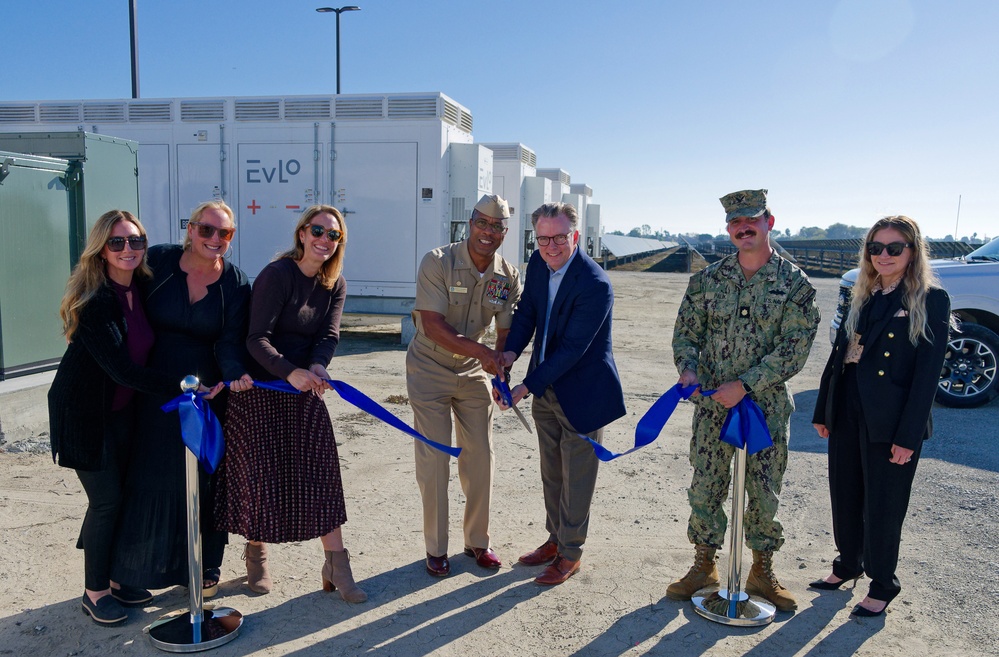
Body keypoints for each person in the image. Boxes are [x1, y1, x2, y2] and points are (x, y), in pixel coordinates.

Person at [48, 210, 216, 625]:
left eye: (136, 241)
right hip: (85, 415)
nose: (129, 249)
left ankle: (121, 581)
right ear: (100, 250)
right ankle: (95, 591)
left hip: (122, 411)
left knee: (121, 495)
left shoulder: (140, 287)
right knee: (106, 501)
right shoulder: (97, 301)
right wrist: (183, 385)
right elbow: (122, 370)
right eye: (118, 242)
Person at [669, 189, 820, 611]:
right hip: (714, 404)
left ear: (769, 222)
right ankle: (704, 564)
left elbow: (795, 347)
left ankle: (761, 570)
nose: (742, 228)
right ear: (728, 229)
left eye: (750, 220)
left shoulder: (794, 284)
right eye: (734, 223)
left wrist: (748, 383)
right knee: (706, 485)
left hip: (764, 407)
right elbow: (687, 333)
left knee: (765, 489)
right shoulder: (707, 281)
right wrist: (689, 368)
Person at [214, 205, 366, 603]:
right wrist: (290, 372)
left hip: (303, 390)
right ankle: (256, 555)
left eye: (333, 235)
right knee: (261, 478)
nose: (324, 240)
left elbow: (329, 337)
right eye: (318, 230)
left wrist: (317, 365)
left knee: (321, 476)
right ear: (302, 233)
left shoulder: (336, 283)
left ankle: (336, 563)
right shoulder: (276, 275)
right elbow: (255, 339)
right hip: (262, 390)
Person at [811, 216, 951, 617]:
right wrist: (825, 409)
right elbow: (839, 355)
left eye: (894, 248)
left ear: (913, 251)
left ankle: (883, 583)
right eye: (876, 247)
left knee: (884, 504)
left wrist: (908, 437)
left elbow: (927, 378)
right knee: (846, 492)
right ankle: (847, 564)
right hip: (849, 408)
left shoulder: (929, 299)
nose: (883, 255)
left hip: (891, 420)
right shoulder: (864, 293)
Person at [112, 201, 252, 597]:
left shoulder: (237, 283)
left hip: (204, 392)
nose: (214, 239)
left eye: (223, 233)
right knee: (150, 474)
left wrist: (229, 376)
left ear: (231, 237)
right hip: (154, 385)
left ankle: (205, 561)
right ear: (190, 229)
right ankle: (134, 569)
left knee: (204, 477)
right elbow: (121, 297)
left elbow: (230, 340)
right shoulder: (156, 261)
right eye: (206, 230)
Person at [497, 202, 626, 586]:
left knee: (578, 479)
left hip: (584, 396)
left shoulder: (595, 283)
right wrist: (510, 352)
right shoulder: (538, 264)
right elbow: (527, 314)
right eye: (542, 239)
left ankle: (571, 554)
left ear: (575, 235)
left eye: (559, 238)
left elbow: (573, 349)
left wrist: (524, 386)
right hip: (547, 393)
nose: (550, 246)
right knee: (552, 474)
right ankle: (555, 540)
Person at [406, 194, 522, 577]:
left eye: (497, 227)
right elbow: (435, 325)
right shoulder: (437, 262)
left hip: (473, 371)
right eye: (482, 223)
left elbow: (504, 330)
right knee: (436, 455)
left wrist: (500, 367)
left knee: (481, 454)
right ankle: (436, 548)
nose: (488, 232)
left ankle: (478, 542)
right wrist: (483, 352)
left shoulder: (506, 276)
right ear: (469, 223)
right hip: (429, 366)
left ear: (505, 232)